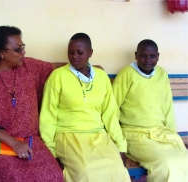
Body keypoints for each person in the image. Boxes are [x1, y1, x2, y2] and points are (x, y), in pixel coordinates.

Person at [0, 26, 64, 182]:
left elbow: (55, 66)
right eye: (18, 50)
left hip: (31, 140)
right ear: (1, 52)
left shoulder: (29, 67)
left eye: (23, 47)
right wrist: (13, 143)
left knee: (54, 175)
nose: (23, 53)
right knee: (15, 177)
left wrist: (86, 67)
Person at [39, 33, 131, 182]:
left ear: (90, 53)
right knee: (87, 174)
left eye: (80, 52)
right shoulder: (58, 76)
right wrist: (51, 151)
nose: (74, 56)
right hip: (68, 135)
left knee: (119, 172)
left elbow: (110, 114)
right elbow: (48, 116)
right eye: (71, 52)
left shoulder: (101, 77)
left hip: (99, 136)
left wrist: (121, 146)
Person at [112, 39, 188, 182]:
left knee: (185, 160)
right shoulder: (127, 74)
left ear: (158, 56)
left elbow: (168, 107)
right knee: (166, 165)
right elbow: (112, 107)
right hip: (135, 134)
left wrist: (174, 135)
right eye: (143, 55)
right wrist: (117, 140)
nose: (147, 59)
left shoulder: (162, 74)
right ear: (136, 55)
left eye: (152, 56)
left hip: (162, 132)